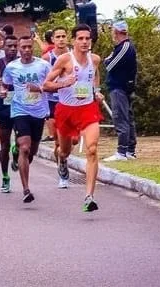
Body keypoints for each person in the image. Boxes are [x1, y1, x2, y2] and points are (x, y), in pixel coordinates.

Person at [44, 24, 103, 212]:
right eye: (81, 38)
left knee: (92, 149)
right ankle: (62, 161)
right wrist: (64, 83)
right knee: (65, 150)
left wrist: (97, 92)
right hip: (66, 110)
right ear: (74, 40)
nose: (85, 42)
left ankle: (89, 196)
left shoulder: (95, 60)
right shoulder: (64, 60)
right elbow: (46, 85)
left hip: (87, 109)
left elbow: (95, 77)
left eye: (88, 38)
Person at [1, 35, 51, 202]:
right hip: (20, 110)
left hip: (39, 111)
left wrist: (40, 88)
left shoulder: (43, 65)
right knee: (24, 147)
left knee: (32, 151)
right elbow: (5, 83)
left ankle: (17, 156)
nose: (27, 50)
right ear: (19, 49)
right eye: (24, 47)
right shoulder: (11, 67)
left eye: (30, 47)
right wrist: (3, 90)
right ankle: (26, 189)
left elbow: (52, 85)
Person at [103, 21, 138, 162]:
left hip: (119, 87)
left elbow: (109, 64)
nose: (112, 34)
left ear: (117, 32)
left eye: (113, 31)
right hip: (123, 87)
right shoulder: (121, 47)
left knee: (121, 118)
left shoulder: (125, 47)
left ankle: (122, 151)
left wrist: (108, 60)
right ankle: (129, 150)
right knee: (127, 118)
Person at [0, 35, 20, 193]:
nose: (13, 49)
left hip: (22, 107)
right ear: (4, 48)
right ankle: (5, 176)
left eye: (15, 46)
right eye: (9, 46)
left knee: (22, 143)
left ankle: (16, 154)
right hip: (4, 108)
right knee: (4, 145)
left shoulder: (25, 64)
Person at [41, 26, 70, 149]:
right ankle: (61, 162)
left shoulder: (74, 55)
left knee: (72, 139)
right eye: (58, 37)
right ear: (52, 39)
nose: (61, 39)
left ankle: (63, 154)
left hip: (69, 99)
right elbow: (42, 82)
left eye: (63, 36)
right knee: (57, 139)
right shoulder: (46, 58)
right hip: (51, 99)